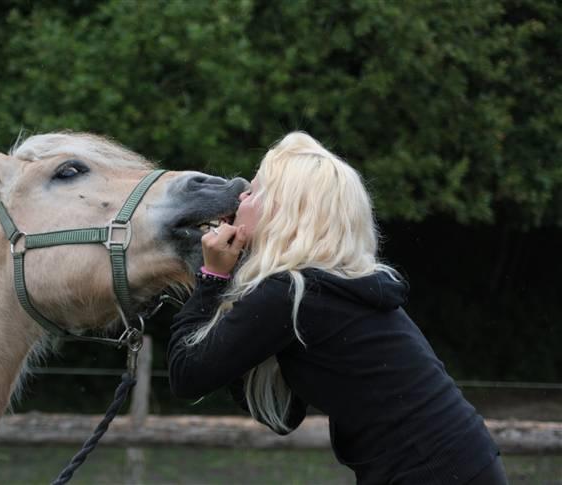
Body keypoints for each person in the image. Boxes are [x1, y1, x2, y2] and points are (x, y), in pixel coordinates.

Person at [167, 132, 508, 484]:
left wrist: (211, 278)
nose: (241, 198)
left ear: (282, 210)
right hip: (461, 464)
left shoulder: (292, 294)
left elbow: (186, 376)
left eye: (254, 191)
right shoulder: (329, 288)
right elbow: (283, 417)